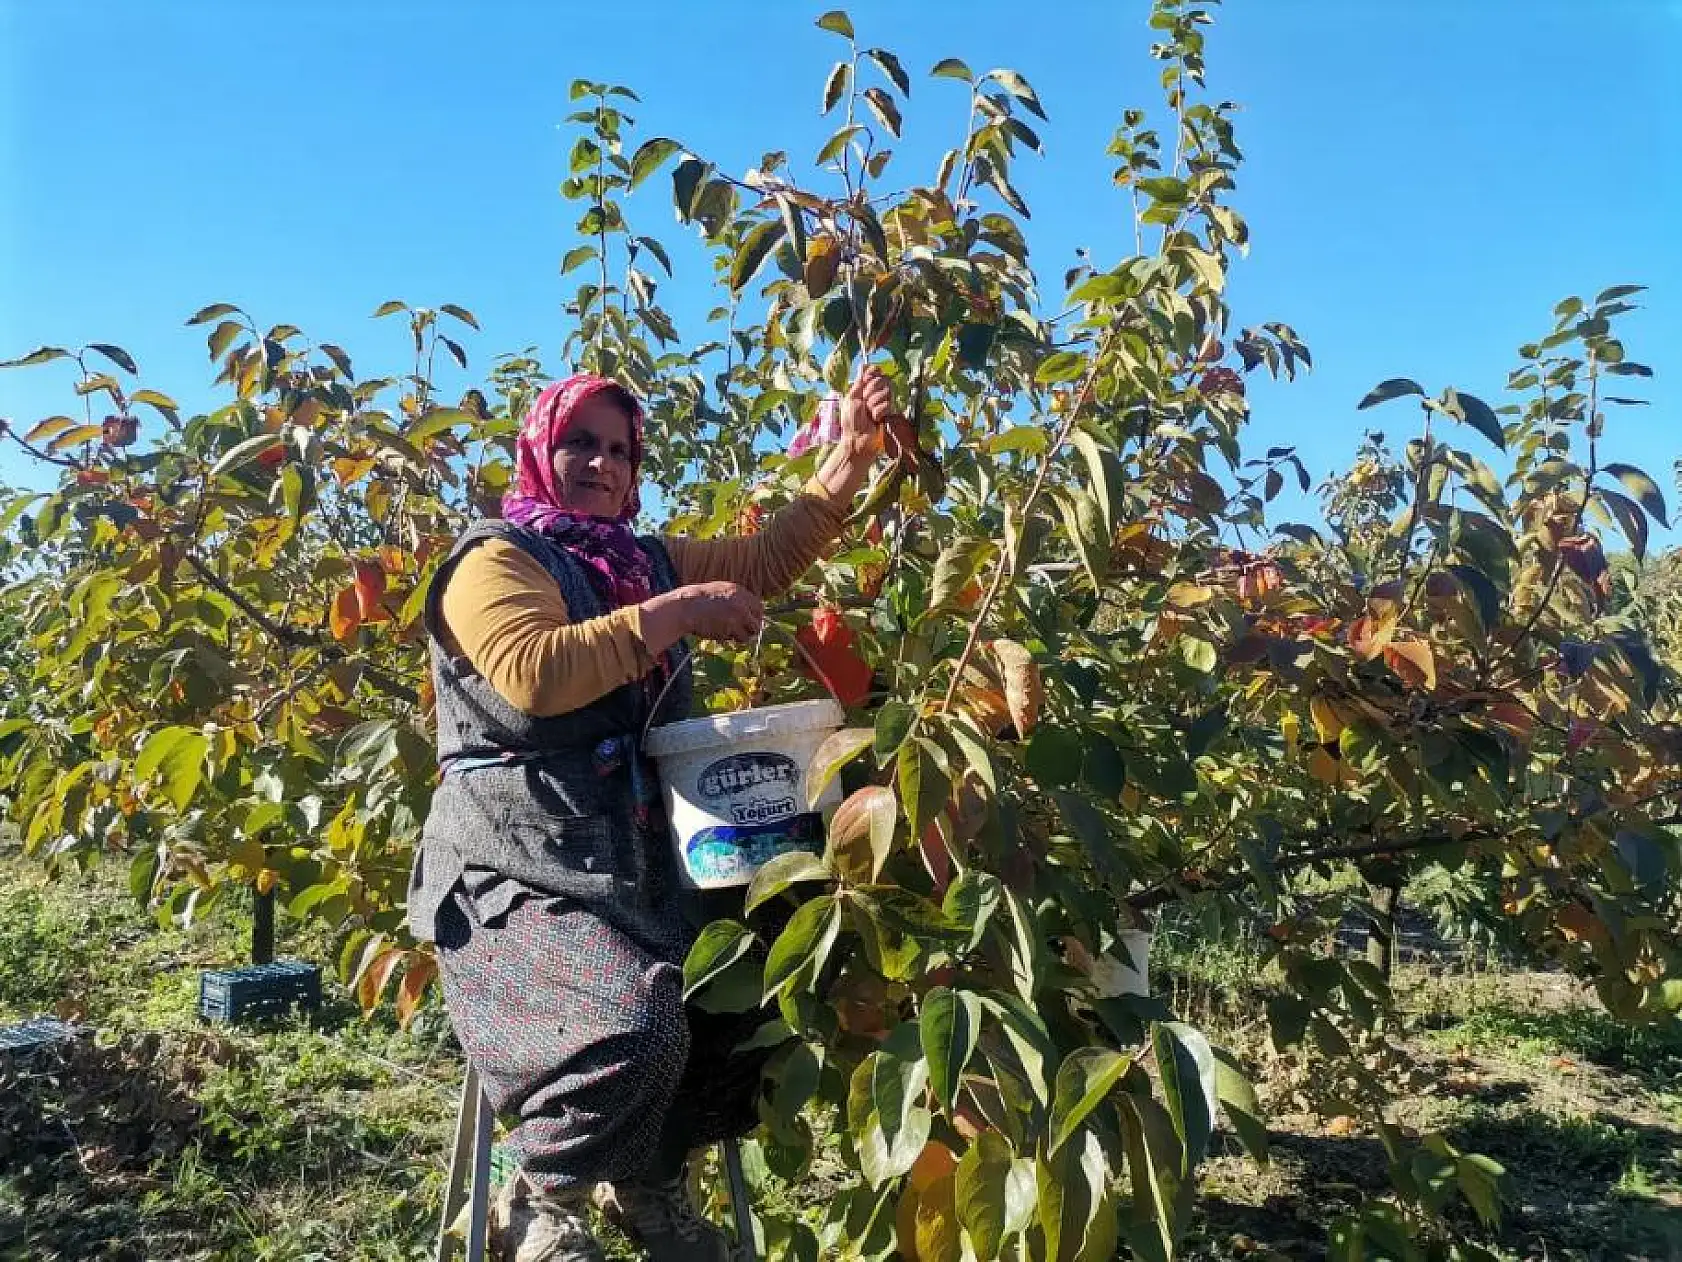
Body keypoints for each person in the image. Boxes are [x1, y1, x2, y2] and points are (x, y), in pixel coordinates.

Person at [408, 367, 894, 1262]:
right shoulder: (493, 561)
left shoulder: (640, 560)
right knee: (632, 1018)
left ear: (635, 473)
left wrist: (848, 462)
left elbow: (765, 558)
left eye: (619, 449)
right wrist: (671, 614)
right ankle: (539, 1193)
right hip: (517, 868)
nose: (599, 461)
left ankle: (651, 1182)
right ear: (540, 451)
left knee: (765, 978)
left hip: (644, 855)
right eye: (579, 442)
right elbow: (536, 673)